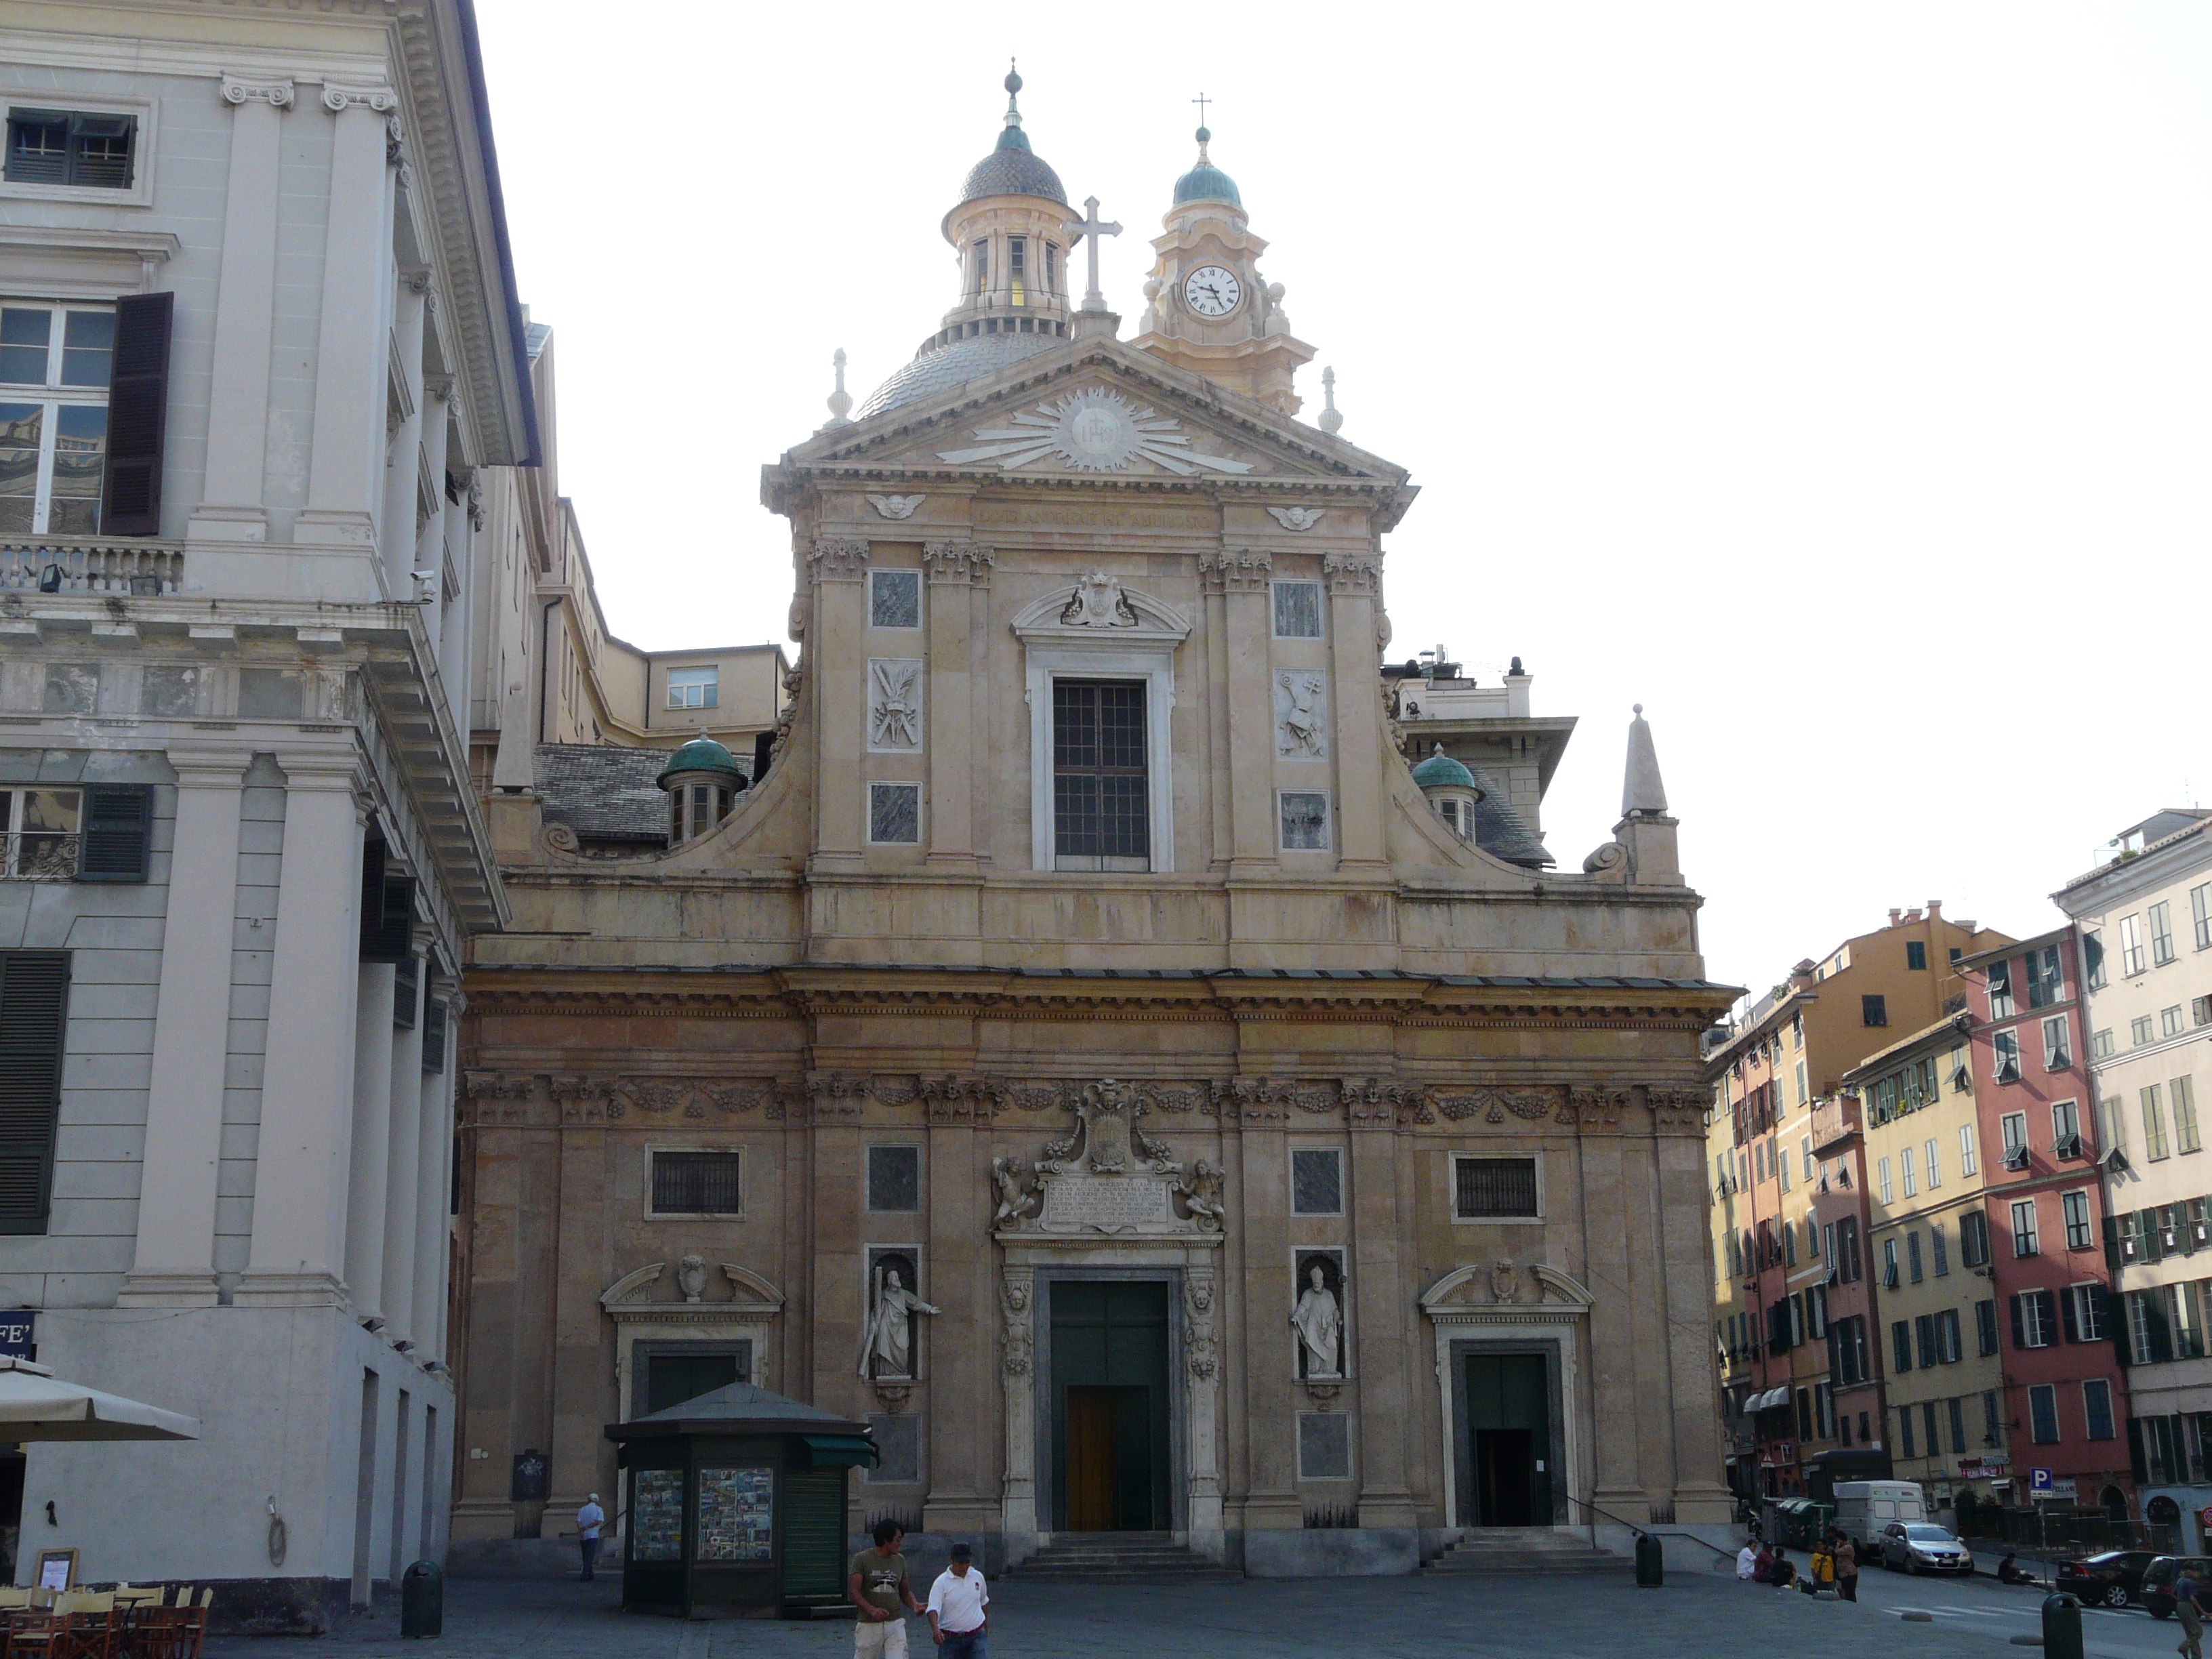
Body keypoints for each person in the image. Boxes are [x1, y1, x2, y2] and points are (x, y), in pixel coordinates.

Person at [850, 1519, 926, 1659]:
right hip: (869, 1624)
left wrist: (914, 1605)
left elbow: (905, 1592)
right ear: (886, 1540)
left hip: (894, 1622)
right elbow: (854, 1592)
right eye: (898, 1540)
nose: (900, 1544)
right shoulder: (861, 1559)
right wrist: (871, 1610)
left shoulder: (900, 1560)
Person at [925, 1540, 989, 1659]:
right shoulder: (941, 1582)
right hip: (950, 1640)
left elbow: (983, 1601)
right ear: (952, 1561)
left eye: (967, 1562)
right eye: (960, 1563)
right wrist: (935, 1630)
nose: (964, 1567)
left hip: (976, 1636)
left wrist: (986, 1626)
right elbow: (933, 1609)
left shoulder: (977, 1577)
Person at [2177, 1567, 2206, 1659]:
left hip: (2179, 1605)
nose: (2197, 1574)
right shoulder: (2189, 1582)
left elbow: (2173, 1592)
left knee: (2190, 1633)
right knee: (2198, 1632)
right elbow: (2192, 1598)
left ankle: (2196, 1656)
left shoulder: (2180, 1580)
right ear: (2189, 1571)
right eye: (2195, 1572)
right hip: (2187, 1606)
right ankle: (2184, 1647)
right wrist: (2203, 1612)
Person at [575, 1492, 605, 1583]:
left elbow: (578, 1521)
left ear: (588, 1500)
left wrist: (581, 1531)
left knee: (585, 1556)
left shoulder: (582, 1509)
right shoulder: (599, 1509)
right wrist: (587, 1527)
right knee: (589, 1556)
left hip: (583, 1536)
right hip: (593, 1535)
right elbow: (599, 1521)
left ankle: (590, 1574)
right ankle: (585, 1575)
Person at [1834, 1532, 1859, 1602]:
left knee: (1850, 1591)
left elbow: (1837, 1552)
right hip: (1842, 1573)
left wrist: (1837, 1545)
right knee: (1842, 1588)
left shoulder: (1848, 1547)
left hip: (1849, 1573)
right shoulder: (1843, 1547)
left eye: (1838, 1540)